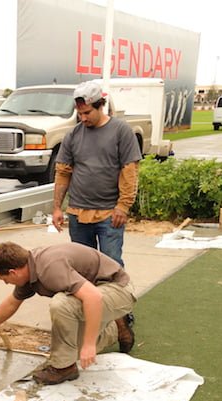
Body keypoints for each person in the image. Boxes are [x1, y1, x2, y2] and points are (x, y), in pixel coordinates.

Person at [0, 241, 136, 386]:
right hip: (96, 294)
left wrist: (89, 344)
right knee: (73, 351)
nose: (6, 283)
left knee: (61, 304)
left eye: (4, 279)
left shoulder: (48, 268)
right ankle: (115, 327)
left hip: (117, 290)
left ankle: (64, 368)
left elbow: (93, 297)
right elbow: (11, 303)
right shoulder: (29, 268)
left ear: (13, 272)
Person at [51, 79, 142, 269]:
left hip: (109, 214)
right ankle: (88, 299)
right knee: (83, 267)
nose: (83, 118)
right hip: (78, 213)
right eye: (79, 114)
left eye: (87, 113)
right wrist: (57, 208)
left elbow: (129, 171)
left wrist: (123, 206)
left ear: (101, 106)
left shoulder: (121, 131)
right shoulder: (73, 135)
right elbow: (62, 173)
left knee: (111, 266)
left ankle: (116, 298)